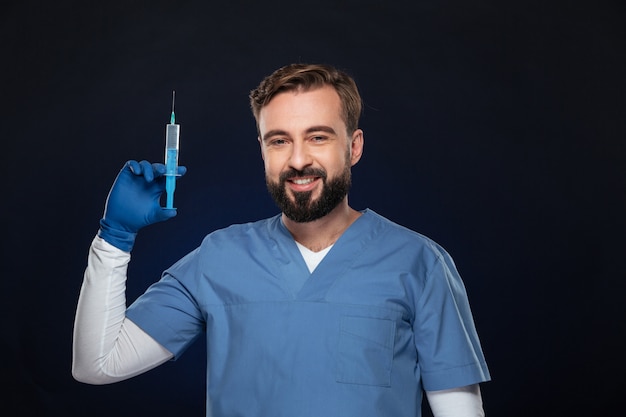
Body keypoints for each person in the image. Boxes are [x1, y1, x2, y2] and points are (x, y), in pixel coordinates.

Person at [72, 63, 491, 417]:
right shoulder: (220, 257)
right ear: (262, 149)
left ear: (354, 146)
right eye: (279, 141)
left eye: (318, 136)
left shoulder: (419, 263)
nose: (297, 159)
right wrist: (115, 237)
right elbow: (97, 365)